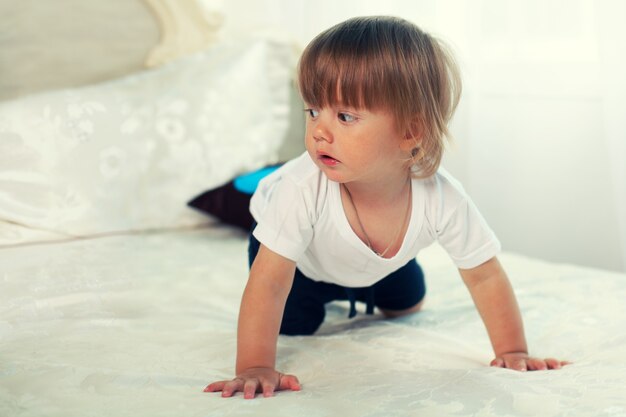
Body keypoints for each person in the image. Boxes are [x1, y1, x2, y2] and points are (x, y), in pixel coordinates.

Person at [205, 15, 568, 400]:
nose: (319, 131)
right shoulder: (300, 187)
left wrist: (513, 351)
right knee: (297, 324)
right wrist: (255, 367)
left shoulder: (441, 197)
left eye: (344, 116)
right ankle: (329, 293)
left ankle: (369, 282)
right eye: (313, 111)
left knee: (409, 302)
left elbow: (484, 277)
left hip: (380, 260)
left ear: (411, 132)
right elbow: (271, 281)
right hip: (299, 266)